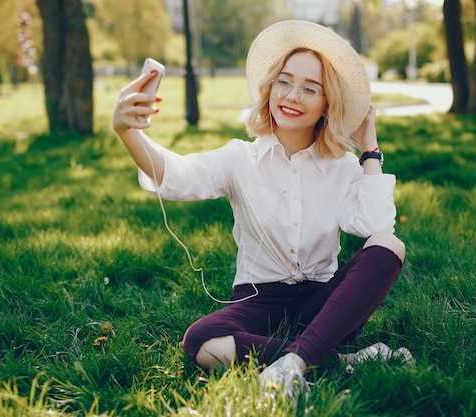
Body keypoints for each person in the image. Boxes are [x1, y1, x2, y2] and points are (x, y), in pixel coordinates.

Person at [112, 20, 411, 397]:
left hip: (323, 304)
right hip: (258, 301)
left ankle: (294, 365)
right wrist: (127, 132)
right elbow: (177, 173)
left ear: (326, 105)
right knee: (201, 342)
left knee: (390, 244)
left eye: (310, 88)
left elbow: (376, 224)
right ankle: (341, 361)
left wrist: (370, 149)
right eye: (284, 81)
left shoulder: (342, 168)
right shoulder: (241, 158)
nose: (292, 96)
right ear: (270, 88)